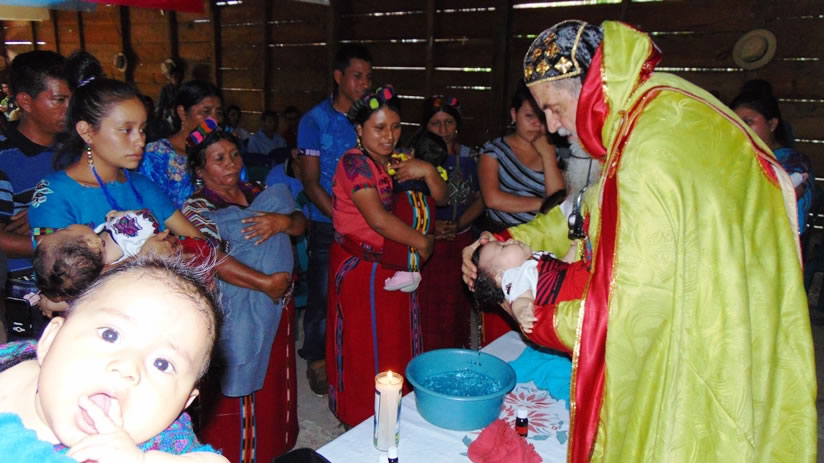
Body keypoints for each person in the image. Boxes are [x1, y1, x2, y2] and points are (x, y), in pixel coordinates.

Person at [462, 20, 815, 462]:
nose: (551, 126)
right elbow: (584, 212)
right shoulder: (650, 108)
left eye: (553, 107)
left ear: (589, 88)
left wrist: (534, 316)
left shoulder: (649, 150)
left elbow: (630, 309)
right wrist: (505, 238)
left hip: (706, 326)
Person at [0, 255, 227, 462]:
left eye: (162, 364)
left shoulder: (157, 444)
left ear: (184, 403)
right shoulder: (9, 365)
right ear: (50, 341)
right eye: (110, 335)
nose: (128, 367)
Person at [182, 118, 304, 461]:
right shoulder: (197, 208)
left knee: (275, 374)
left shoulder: (258, 191)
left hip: (277, 300)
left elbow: (300, 223)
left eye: (234, 155)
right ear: (200, 170)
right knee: (241, 376)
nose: (231, 164)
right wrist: (265, 283)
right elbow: (210, 257)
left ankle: (275, 444)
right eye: (219, 159)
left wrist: (282, 221)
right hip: (240, 308)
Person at [327, 85, 439, 427]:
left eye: (395, 126)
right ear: (359, 129)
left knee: (395, 341)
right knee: (365, 346)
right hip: (362, 269)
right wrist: (422, 243)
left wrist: (428, 170)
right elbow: (376, 219)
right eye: (379, 128)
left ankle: (396, 415)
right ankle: (361, 419)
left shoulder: (397, 162)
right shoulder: (354, 164)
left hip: (394, 264)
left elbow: (443, 196)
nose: (389, 136)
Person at [297, 43, 372, 395]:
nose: (365, 84)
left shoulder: (369, 117)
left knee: (359, 293)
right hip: (328, 222)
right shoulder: (314, 121)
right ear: (339, 76)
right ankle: (316, 358)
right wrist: (342, 219)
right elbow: (311, 183)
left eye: (368, 77)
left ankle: (351, 355)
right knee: (323, 295)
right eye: (357, 76)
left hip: (370, 220)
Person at [416, 95, 484, 350]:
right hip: (427, 241)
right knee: (427, 302)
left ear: (457, 125)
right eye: (435, 123)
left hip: (460, 239)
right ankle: (423, 354)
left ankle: (454, 353)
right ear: (426, 126)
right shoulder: (417, 157)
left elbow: (482, 198)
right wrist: (430, 226)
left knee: (455, 302)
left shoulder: (472, 157)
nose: (443, 130)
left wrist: (459, 224)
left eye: (449, 122)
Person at [0, 50, 69, 275]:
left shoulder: (78, 151)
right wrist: (64, 244)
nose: (70, 108)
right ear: (25, 102)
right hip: (26, 286)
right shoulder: (4, 157)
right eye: (59, 100)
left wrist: (45, 211)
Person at [478, 80, 565, 232]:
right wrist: (543, 204)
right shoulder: (493, 151)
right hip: (500, 233)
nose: (536, 123)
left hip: (542, 235)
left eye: (542, 117)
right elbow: (492, 199)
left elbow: (558, 201)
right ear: (514, 114)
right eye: (529, 116)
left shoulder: (556, 153)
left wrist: (548, 155)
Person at [730, 90, 814, 232]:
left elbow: (782, 199)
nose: (741, 129)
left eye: (748, 122)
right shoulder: (744, 160)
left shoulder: (793, 163)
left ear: (772, 124)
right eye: (735, 123)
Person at [380, 130, 447, 293]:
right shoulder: (440, 172)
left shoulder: (402, 161)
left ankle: (407, 272)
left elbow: (387, 168)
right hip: (426, 209)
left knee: (404, 238)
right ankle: (411, 272)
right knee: (417, 235)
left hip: (406, 204)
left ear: (412, 151)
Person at [471, 239, 584, 334]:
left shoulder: (535, 258)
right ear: (500, 276)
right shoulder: (515, 275)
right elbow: (521, 299)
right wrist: (522, 312)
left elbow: (562, 268)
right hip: (577, 301)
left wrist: (572, 251)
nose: (510, 240)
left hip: (581, 281)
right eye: (503, 247)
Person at [138, 80, 222, 209]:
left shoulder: (220, 153)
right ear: (182, 112)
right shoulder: (157, 155)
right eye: (205, 111)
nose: (214, 120)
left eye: (218, 113)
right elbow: (149, 207)